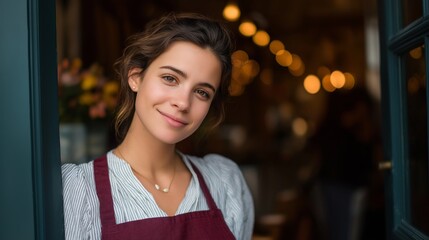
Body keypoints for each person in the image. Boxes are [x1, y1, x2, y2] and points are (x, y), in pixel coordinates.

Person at [61, 13, 254, 240]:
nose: (182, 103)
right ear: (136, 77)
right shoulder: (80, 190)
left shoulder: (224, 182)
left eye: (202, 92)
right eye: (170, 78)